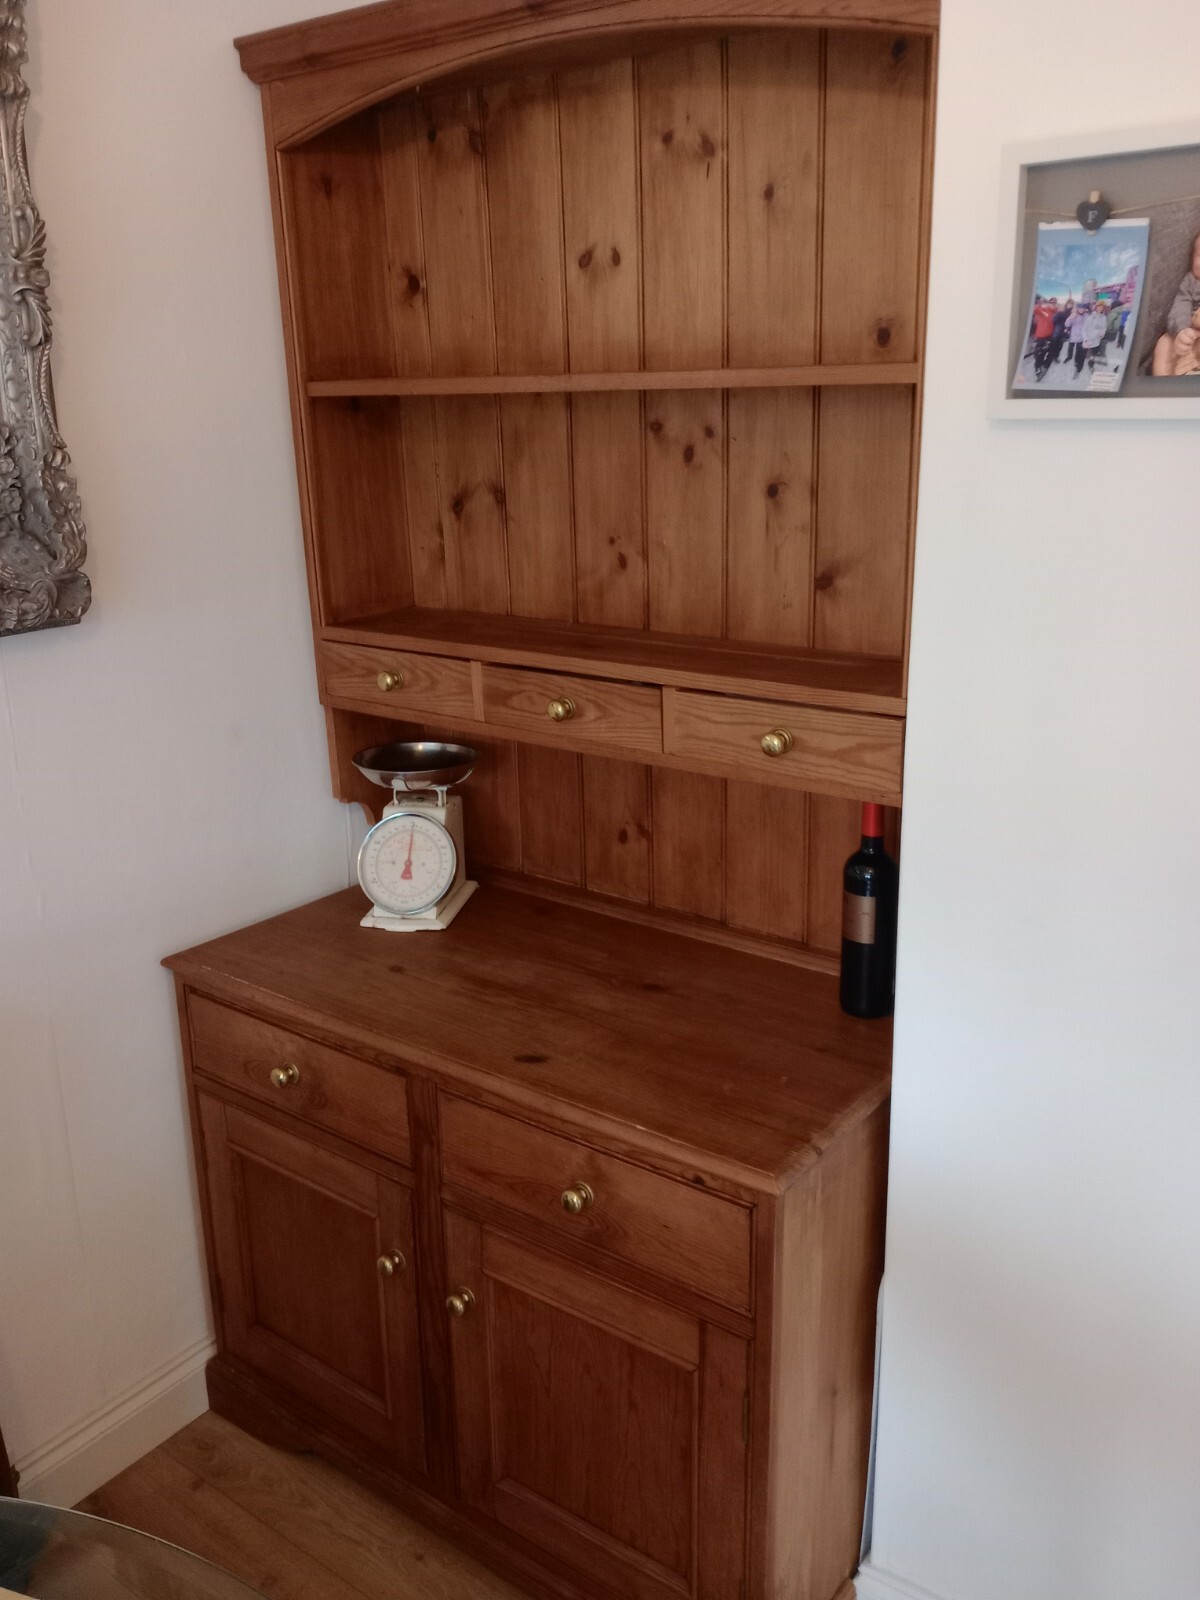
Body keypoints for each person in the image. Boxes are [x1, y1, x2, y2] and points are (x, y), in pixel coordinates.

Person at [1151, 231, 1200, 377]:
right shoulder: (1191, 282)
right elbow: (1180, 306)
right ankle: (1163, 388)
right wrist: (1181, 330)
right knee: (1164, 342)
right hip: (1189, 334)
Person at [1031, 296, 1058, 380]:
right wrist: (1038, 305)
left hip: (1050, 336)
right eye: (1051, 302)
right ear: (1049, 303)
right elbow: (1035, 310)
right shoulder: (1044, 311)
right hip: (1041, 337)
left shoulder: (1055, 313)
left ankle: (1045, 365)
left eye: (1054, 302)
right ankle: (1038, 369)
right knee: (1040, 354)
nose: (1053, 304)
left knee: (1051, 353)